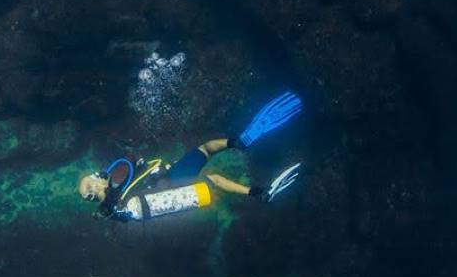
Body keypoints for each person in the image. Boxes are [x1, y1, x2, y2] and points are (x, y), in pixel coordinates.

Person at [78, 92, 304, 222]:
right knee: (209, 165)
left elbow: (134, 168)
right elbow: (128, 168)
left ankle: (252, 174)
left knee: (208, 163)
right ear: (92, 191)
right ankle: (244, 157)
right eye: (92, 179)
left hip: (170, 180)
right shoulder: (112, 191)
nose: (96, 175)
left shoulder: (113, 199)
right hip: (171, 182)